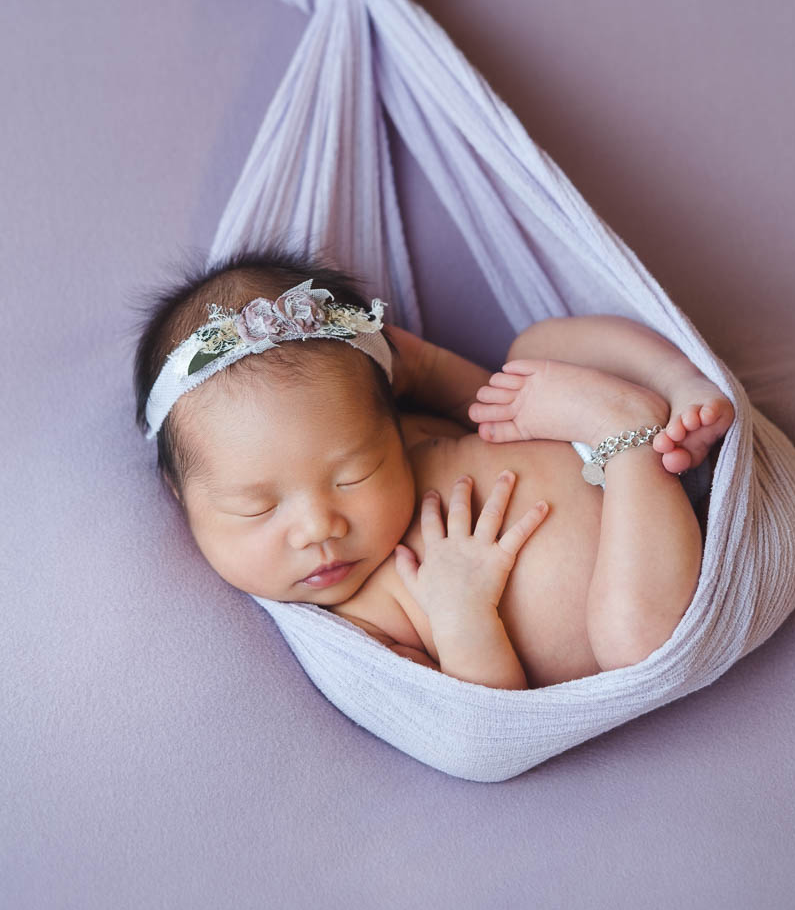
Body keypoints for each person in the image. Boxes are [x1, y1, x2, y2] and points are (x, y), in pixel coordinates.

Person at [132, 245, 734, 690]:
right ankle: (629, 432)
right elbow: (483, 718)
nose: (320, 526)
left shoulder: (404, 430)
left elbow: (491, 413)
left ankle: (678, 384)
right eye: (257, 506)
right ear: (179, 495)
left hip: (617, 452)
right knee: (636, 640)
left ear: (390, 416)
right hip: (640, 575)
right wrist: (461, 612)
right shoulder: (357, 627)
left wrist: (427, 368)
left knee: (532, 352)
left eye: (355, 474)